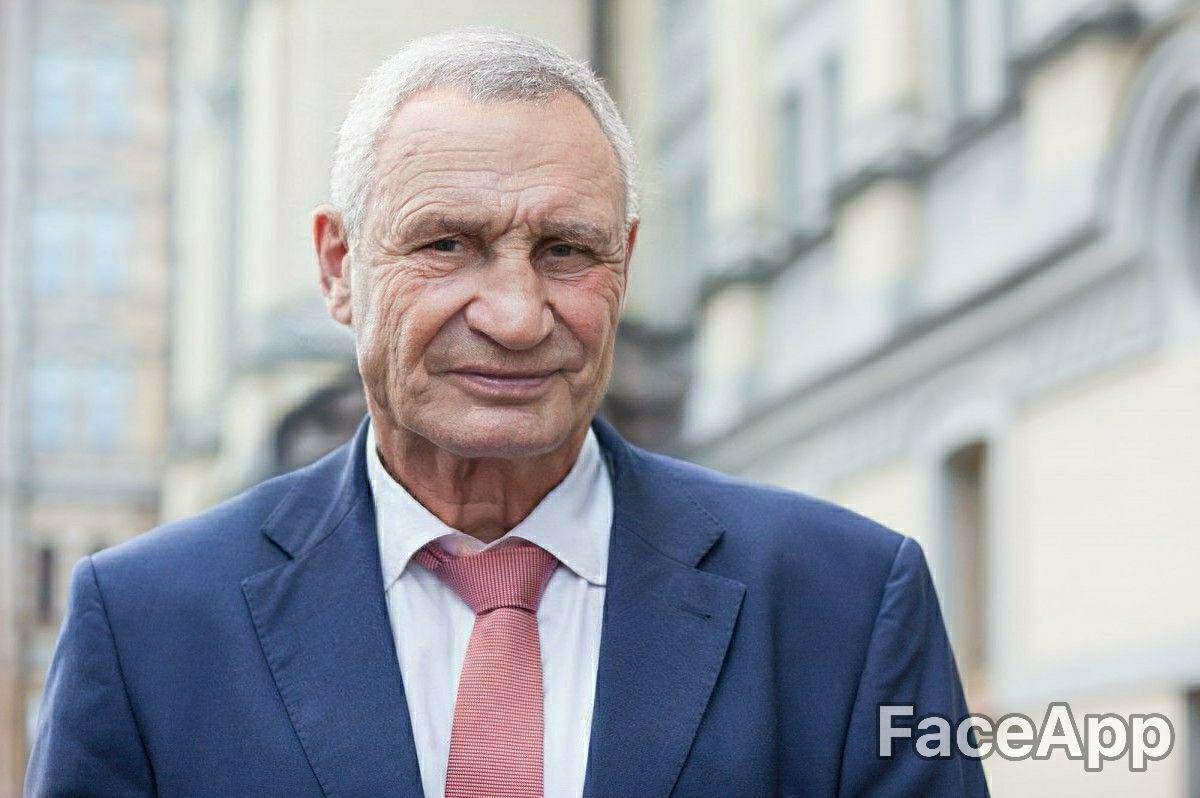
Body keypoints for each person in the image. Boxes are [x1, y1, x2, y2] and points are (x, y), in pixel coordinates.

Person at [26, 28, 988, 798]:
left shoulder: (845, 603)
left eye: (566, 250)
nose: (518, 316)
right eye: (448, 245)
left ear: (625, 264)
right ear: (338, 267)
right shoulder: (149, 625)